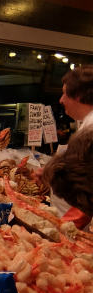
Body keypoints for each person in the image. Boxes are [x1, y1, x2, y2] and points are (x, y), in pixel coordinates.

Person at [41, 65, 93, 227]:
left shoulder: (91, 130)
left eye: (65, 93)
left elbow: (89, 184)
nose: (61, 100)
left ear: (79, 95)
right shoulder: (86, 125)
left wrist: (62, 227)